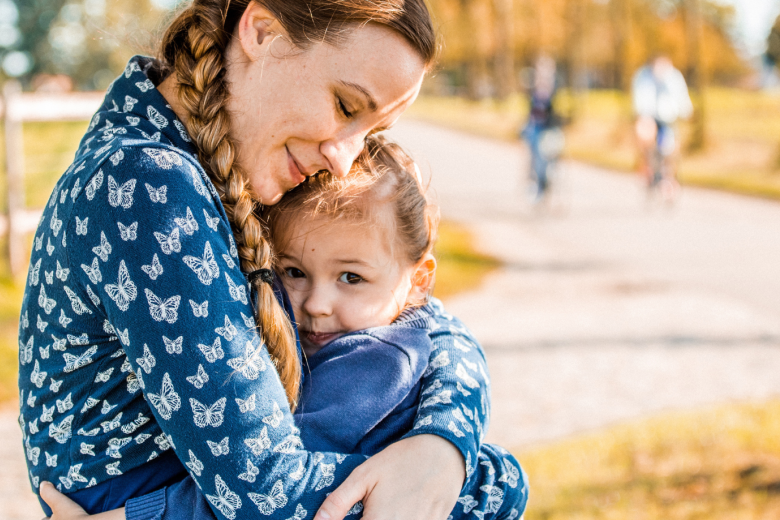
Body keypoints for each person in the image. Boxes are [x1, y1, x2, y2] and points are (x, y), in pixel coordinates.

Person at [17, 0, 504, 520]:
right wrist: (495, 483)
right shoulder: (146, 182)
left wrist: (443, 447)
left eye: (370, 133)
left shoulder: (236, 160)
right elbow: (267, 496)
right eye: (346, 106)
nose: (343, 158)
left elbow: (424, 316)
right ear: (262, 31)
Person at [42, 136, 529, 520]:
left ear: (418, 279)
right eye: (294, 272)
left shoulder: (375, 364)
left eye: (351, 278)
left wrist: (136, 517)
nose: (316, 304)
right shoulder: (373, 330)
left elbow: (273, 492)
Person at [631, 55, 692, 198]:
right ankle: (647, 168)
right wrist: (642, 116)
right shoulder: (643, 76)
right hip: (649, 116)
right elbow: (640, 98)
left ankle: (669, 177)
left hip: (667, 118)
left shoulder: (674, 77)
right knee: (645, 137)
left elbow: (681, 96)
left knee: (669, 148)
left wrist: (687, 112)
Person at [520, 55, 564, 201]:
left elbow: (558, 112)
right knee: (533, 151)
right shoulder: (533, 88)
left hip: (549, 127)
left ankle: (549, 177)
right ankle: (535, 182)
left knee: (553, 149)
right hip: (535, 127)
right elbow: (530, 112)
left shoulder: (556, 88)